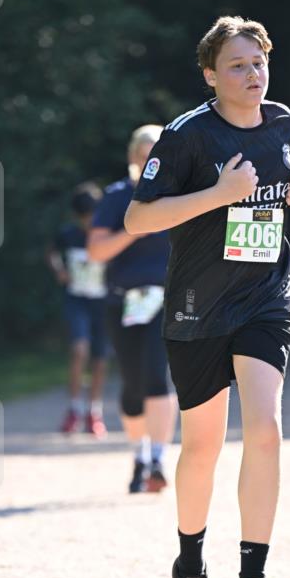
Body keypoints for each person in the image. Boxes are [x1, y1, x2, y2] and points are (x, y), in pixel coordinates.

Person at [125, 15, 290, 578]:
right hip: (198, 307)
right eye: (237, 65)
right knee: (202, 446)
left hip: (265, 297)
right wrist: (219, 193)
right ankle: (190, 570)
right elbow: (138, 220)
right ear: (210, 75)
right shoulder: (186, 136)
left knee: (266, 431)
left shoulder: (283, 122)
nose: (253, 74)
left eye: (259, 62)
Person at [88, 126, 177, 494]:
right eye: (144, 155)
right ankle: (139, 455)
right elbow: (96, 251)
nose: (151, 162)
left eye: (157, 155)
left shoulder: (180, 196)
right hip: (122, 301)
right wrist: (134, 230)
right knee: (132, 383)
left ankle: (158, 459)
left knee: (157, 376)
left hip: (166, 301)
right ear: (133, 158)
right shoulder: (117, 197)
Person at [47, 182, 108, 437]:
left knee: (100, 359)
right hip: (77, 300)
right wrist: (59, 270)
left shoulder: (107, 233)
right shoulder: (68, 234)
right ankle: (74, 408)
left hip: (102, 302)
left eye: (91, 216)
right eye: (84, 217)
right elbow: (51, 252)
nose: (88, 222)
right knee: (79, 350)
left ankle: (94, 412)